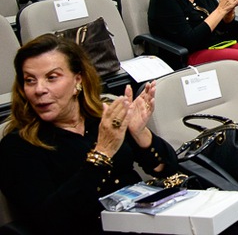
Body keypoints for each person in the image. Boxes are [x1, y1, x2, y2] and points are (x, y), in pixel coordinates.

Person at [0, 34, 178, 234]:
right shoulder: (18, 145)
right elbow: (51, 220)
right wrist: (102, 153)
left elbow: (167, 169)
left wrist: (139, 133)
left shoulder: (102, 117)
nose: (39, 90)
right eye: (30, 80)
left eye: (51, 78)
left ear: (78, 80)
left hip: (146, 219)